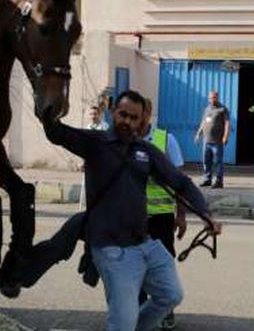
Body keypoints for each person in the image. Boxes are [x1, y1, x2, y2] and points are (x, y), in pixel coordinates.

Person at [41, 90, 220, 331]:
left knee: (171, 295)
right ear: (114, 112)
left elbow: (182, 182)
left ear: (141, 120)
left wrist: (205, 215)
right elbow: (57, 133)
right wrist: (48, 107)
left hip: (144, 242)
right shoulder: (95, 143)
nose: (127, 121)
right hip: (111, 248)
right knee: (123, 321)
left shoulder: (145, 151)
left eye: (133, 117)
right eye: (123, 114)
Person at [140, 99, 186, 330]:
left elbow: (180, 181)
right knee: (133, 266)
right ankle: (136, 312)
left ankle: (166, 311)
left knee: (163, 265)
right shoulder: (122, 139)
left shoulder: (166, 139)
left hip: (161, 216)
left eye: (142, 113)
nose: (138, 118)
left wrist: (182, 215)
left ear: (149, 113)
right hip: (131, 218)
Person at [195, 91, 230, 189]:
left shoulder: (223, 109)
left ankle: (219, 182)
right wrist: (198, 134)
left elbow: (227, 123)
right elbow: (203, 122)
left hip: (217, 141)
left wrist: (225, 136)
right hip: (206, 141)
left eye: (214, 97)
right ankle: (207, 180)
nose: (212, 100)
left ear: (217, 97)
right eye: (210, 98)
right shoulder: (207, 109)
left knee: (218, 162)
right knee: (206, 161)